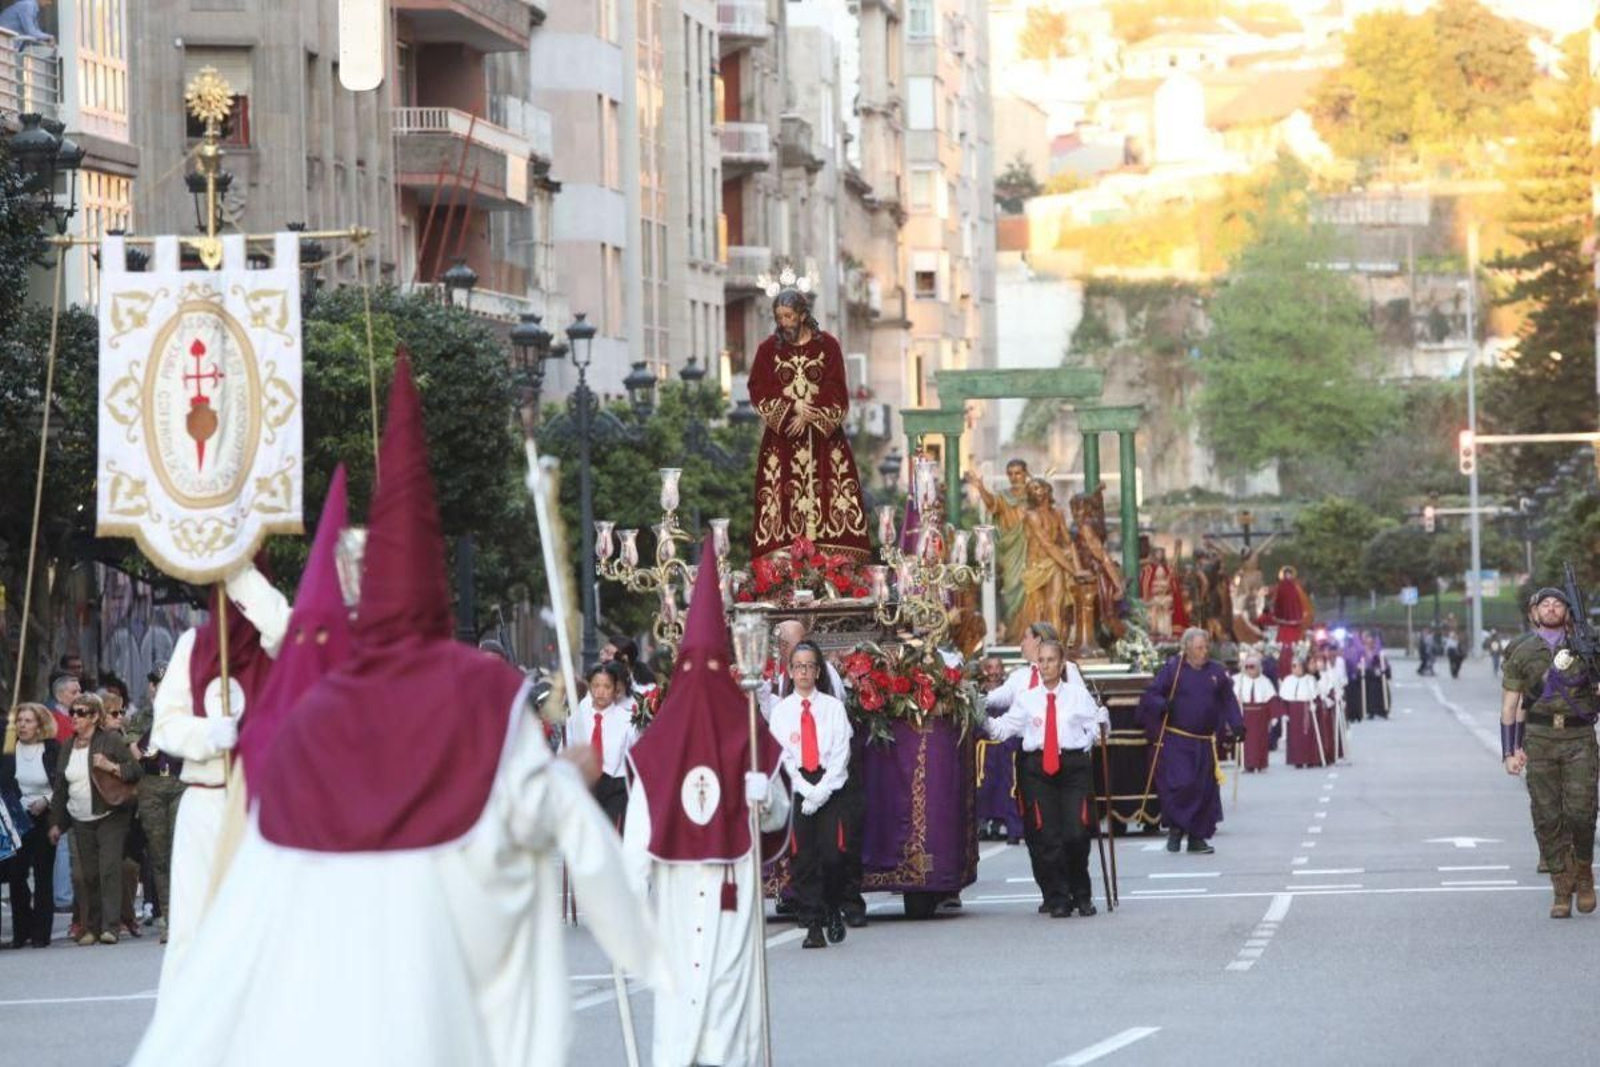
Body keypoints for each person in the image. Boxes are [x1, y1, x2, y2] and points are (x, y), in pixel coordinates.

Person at [130, 353, 662, 1066]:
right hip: (441, 983)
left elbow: (255, 893)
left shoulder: (309, 713)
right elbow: (543, 810)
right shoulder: (482, 689)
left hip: (332, 993)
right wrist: (637, 940)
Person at [623, 539, 790, 1067]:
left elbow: (779, 815)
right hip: (673, 892)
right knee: (677, 989)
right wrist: (629, 887)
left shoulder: (749, 731)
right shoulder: (658, 746)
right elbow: (642, 819)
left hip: (731, 887)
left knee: (728, 988)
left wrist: (766, 800)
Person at [150, 555, 290, 988]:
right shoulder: (194, 643)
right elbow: (165, 726)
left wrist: (237, 566)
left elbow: (282, 625)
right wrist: (208, 734)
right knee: (194, 926)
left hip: (265, 804)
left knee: (269, 927)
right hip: (207, 798)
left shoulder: (280, 644)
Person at [983, 637, 1107, 918]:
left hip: (1073, 766)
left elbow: (1096, 730)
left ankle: (1082, 892)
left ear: (1062, 664)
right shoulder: (1027, 699)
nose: (1047, 665)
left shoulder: (1076, 695)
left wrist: (1102, 722)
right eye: (1042, 661)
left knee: (1076, 832)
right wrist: (980, 717)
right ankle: (1058, 897)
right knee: (1047, 835)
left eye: (1052, 660)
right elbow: (1003, 729)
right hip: (1038, 768)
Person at [747, 286, 871, 562]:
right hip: (783, 442)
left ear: (802, 315)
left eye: (789, 316)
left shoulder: (828, 345)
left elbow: (837, 388)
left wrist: (810, 413)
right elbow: (759, 388)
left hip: (825, 445)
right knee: (779, 501)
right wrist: (793, 408)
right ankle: (781, 572)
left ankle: (835, 569)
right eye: (779, 317)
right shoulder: (768, 350)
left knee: (832, 498)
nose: (784, 323)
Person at [1501, 588, 1599, 919]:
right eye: (1545, 604)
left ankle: (1583, 871)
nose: (1552, 608)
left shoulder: (1587, 647)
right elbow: (1510, 705)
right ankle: (1561, 887)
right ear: (1534, 613)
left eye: (1558, 604)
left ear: (1568, 612)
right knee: (1546, 816)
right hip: (1539, 739)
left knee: (1582, 814)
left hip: (1579, 738)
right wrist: (1509, 750)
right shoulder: (1523, 651)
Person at [768, 639, 853, 948]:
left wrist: (822, 791)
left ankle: (832, 906)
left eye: (809, 666)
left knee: (832, 855)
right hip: (797, 785)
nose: (804, 672)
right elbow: (783, 757)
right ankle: (812, 922)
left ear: (818, 672)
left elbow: (841, 753)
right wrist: (805, 790)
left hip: (830, 785)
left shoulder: (832, 708)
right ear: (790, 671)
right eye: (798, 666)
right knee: (803, 857)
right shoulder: (782, 711)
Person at [1137, 628, 1242, 854]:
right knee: (1182, 785)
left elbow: (1228, 700)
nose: (1203, 652)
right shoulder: (1173, 670)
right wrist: (1163, 705)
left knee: (1204, 790)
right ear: (1187, 649)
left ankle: (1197, 838)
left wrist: (1237, 724)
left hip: (1205, 742)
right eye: (1198, 648)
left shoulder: (1217, 672)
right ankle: (1176, 829)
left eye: (1205, 647)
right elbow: (1151, 694)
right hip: (1178, 741)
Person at [49, 693, 141, 945]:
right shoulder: (68, 745)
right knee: (88, 874)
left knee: (109, 869)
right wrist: (56, 822)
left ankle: (110, 927)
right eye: (73, 713)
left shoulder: (109, 740)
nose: (74, 718)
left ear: (94, 717)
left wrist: (110, 766)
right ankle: (92, 926)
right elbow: (60, 787)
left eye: (80, 713)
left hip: (109, 814)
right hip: (79, 817)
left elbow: (135, 770)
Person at [129, 666, 183, 943]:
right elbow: (132, 746)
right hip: (151, 785)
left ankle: (185, 916)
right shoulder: (142, 716)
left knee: (179, 851)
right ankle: (168, 919)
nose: (159, 687)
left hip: (179, 783)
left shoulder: (185, 710)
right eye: (155, 683)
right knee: (159, 855)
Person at [2, 703, 58, 946]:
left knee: (43, 874)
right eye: (20, 721)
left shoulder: (52, 748)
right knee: (16, 874)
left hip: (46, 814)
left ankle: (41, 933)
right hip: (18, 816)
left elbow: (63, 784)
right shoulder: (9, 750)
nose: (23, 725)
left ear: (40, 725)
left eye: (28, 721)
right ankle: (21, 930)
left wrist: (46, 801)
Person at [566, 661, 639, 830]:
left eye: (607, 686)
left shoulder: (627, 721)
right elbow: (566, 749)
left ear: (616, 689)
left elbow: (635, 755)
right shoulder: (576, 719)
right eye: (596, 685)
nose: (601, 692)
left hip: (615, 789)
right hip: (583, 786)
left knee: (610, 837)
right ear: (590, 687)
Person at [966, 460, 1031, 641]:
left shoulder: (1034, 494)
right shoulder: (1003, 496)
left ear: (1026, 473)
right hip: (1009, 550)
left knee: (1030, 592)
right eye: (1010, 473)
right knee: (1010, 593)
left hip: (1030, 550)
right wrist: (980, 486)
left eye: (1018, 473)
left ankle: (1029, 636)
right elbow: (991, 503)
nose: (1014, 477)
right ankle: (1012, 636)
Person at [976, 653, 1024, 844]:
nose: (994, 672)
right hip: (985, 749)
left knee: (1007, 789)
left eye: (997, 667)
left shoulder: (1009, 692)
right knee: (984, 789)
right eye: (990, 667)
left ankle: (1010, 829)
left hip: (1006, 748)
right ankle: (982, 826)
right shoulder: (978, 692)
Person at [1232, 654, 1278, 773]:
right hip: (1245, 715)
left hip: (1260, 716)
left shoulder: (1265, 681)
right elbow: (1233, 700)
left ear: (1258, 668)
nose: (1249, 669)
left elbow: (1271, 700)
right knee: (1245, 742)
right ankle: (1246, 764)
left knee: (1260, 741)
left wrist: (1274, 716)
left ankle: (1260, 763)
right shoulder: (1239, 681)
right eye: (1246, 667)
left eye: (1252, 667)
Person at [1280, 658, 1328, 768]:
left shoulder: (1310, 679)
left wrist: (1315, 705)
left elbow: (1316, 696)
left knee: (1308, 735)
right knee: (1295, 738)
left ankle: (1310, 759)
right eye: (1293, 666)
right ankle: (1297, 760)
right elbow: (1284, 700)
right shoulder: (1288, 680)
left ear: (1303, 667)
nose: (1294, 669)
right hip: (1293, 711)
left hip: (1306, 710)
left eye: (1297, 666)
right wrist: (1284, 713)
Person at [1267, 566, 1313, 676]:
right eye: (1286, 574)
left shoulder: (1296, 588)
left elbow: (1304, 604)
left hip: (1294, 623)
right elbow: (1274, 600)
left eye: (1289, 574)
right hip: (1283, 625)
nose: (1288, 576)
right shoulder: (1280, 588)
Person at [1138, 545, 1187, 641]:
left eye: (1161, 553)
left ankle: (1166, 637)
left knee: (1166, 618)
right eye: (1157, 553)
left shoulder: (1169, 568)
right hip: (1154, 599)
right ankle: (1154, 635)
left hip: (1166, 599)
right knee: (1154, 617)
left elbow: (1174, 585)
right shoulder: (1148, 569)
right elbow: (1145, 584)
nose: (1159, 555)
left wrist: (1169, 586)